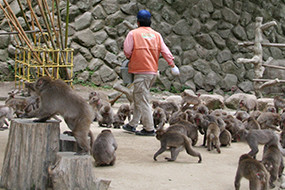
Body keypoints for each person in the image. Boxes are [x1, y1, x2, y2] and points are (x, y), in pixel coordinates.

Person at [122, 9, 179, 136]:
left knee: (142, 99)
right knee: (139, 97)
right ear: (150, 22)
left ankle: (149, 128)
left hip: (140, 72)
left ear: (137, 22)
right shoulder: (157, 35)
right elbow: (165, 51)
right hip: (152, 72)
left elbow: (127, 51)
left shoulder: (133, 34)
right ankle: (133, 124)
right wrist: (172, 65)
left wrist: (131, 57)